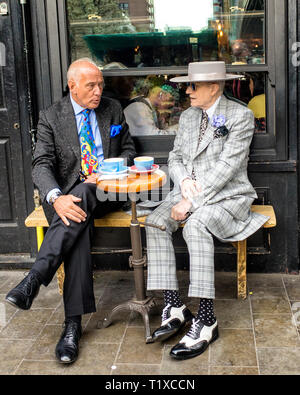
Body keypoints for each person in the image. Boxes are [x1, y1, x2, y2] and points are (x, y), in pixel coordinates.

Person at [5, 58, 136, 364]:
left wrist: (107, 170)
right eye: (91, 85)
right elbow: (41, 164)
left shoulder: (112, 109)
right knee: (75, 217)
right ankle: (71, 326)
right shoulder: (52, 116)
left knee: (85, 194)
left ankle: (35, 279)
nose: (98, 91)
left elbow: (129, 150)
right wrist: (55, 197)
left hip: (107, 191)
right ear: (72, 86)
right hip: (67, 200)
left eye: (101, 84)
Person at [145, 61, 269, 360]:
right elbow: (175, 156)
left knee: (197, 224)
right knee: (154, 222)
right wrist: (183, 180)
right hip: (185, 191)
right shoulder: (188, 116)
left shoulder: (240, 115)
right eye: (187, 85)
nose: (187, 91)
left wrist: (191, 201)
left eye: (193, 85)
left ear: (214, 87)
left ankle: (206, 319)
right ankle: (174, 305)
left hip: (227, 197)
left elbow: (228, 168)